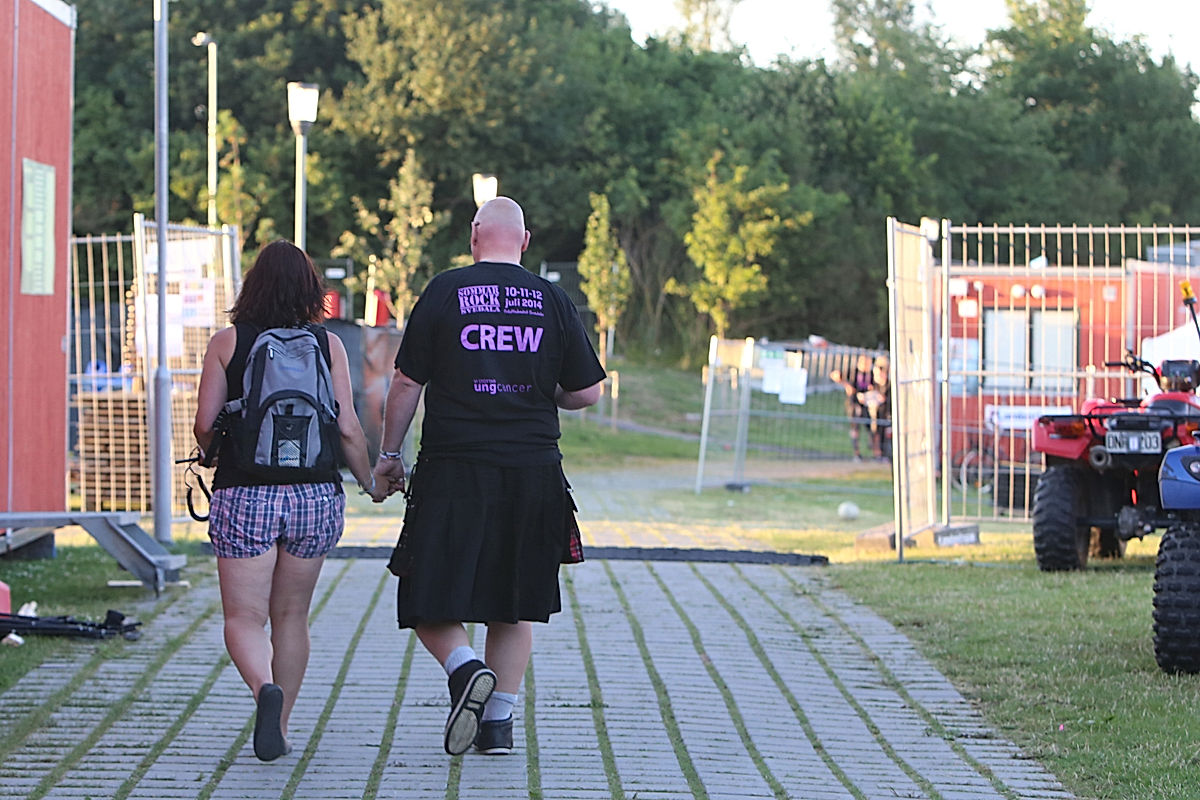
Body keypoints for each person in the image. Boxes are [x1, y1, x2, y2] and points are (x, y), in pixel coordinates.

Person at [369, 196, 605, 757]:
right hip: (533, 470)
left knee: (425, 591)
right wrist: (537, 386)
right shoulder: (551, 298)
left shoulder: (445, 291)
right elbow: (587, 391)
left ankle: (464, 668)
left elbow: (405, 384)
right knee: (513, 600)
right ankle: (497, 726)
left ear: (475, 236)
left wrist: (389, 455)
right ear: (524, 242)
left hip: (455, 467)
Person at [193, 239, 374, 762]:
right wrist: (369, 482)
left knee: (244, 620)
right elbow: (347, 428)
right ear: (310, 290)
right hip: (314, 496)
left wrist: (207, 453)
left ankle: (262, 690)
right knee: (291, 615)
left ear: (253, 286)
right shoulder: (329, 346)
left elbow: (205, 424)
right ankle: (283, 725)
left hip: (246, 494)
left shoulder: (228, 343)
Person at [829, 353, 873, 460]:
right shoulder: (852, 372)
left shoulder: (870, 374)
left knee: (871, 427)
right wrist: (846, 385)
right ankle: (856, 453)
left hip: (866, 404)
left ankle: (875, 450)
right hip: (853, 403)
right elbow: (834, 375)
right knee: (855, 428)